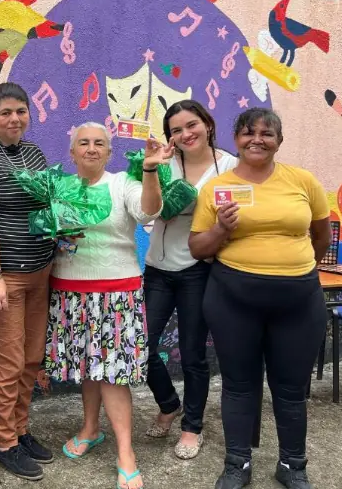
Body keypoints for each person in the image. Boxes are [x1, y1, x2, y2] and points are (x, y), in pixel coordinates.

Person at [189, 108, 331, 489]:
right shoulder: (216, 189)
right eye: (248, 132)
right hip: (233, 301)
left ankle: (292, 466)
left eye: (267, 134)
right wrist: (221, 228)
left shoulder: (303, 181)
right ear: (236, 139)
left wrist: (292, 271)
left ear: (279, 141)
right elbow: (197, 248)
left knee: (290, 388)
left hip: (298, 303)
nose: (257, 139)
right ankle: (237, 463)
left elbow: (322, 238)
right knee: (238, 384)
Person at [46, 123, 169, 489]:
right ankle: (89, 428)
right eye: (83, 143)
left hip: (117, 294)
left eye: (100, 143)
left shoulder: (122, 184)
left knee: (114, 374)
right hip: (69, 290)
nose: (91, 148)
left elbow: (149, 212)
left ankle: (126, 453)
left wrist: (149, 170)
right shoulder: (61, 188)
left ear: (110, 152)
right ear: (71, 153)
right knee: (87, 365)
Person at [0, 82, 55, 482]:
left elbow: (46, 205)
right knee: (7, 364)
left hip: (42, 272)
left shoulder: (34, 153)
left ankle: (20, 430)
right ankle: (4, 443)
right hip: (8, 278)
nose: (14, 119)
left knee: (32, 359)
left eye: (21, 111)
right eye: (6, 112)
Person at [143, 101, 237, 459]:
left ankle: (191, 426)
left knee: (194, 355)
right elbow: (146, 208)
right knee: (142, 347)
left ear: (208, 124)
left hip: (200, 269)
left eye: (191, 124)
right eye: (176, 130)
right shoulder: (165, 163)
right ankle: (169, 404)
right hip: (158, 268)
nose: (186, 134)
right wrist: (151, 169)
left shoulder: (229, 167)